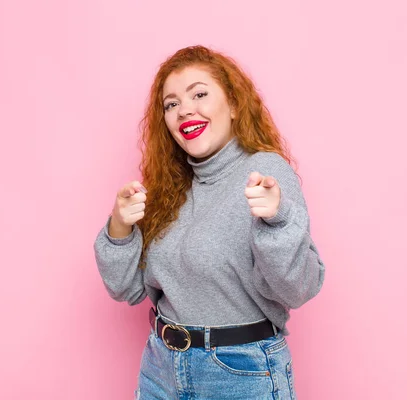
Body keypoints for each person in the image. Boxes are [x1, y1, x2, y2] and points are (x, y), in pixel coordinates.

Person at [94, 45, 325, 399]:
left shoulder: (264, 171)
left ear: (233, 105)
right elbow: (128, 289)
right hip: (160, 365)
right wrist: (120, 228)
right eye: (171, 104)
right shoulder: (170, 187)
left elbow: (298, 289)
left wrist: (277, 221)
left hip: (238, 372)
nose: (184, 109)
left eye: (199, 94)